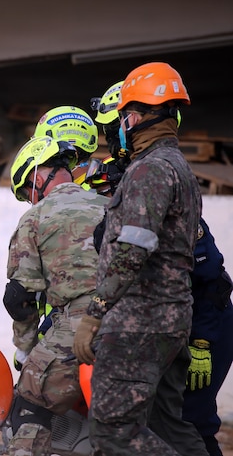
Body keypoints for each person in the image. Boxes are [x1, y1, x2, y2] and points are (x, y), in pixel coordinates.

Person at [88, 82, 233, 456]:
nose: (117, 131)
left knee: (113, 430)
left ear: (133, 118)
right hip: (171, 320)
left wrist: (96, 312)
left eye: (120, 121)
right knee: (172, 427)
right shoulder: (178, 168)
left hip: (142, 322)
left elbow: (136, 249)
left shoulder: (149, 171)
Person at [2, 135, 108, 456]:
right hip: (139, 320)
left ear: (36, 176)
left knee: (30, 406)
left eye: (26, 192)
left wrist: (24, 350)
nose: (28, 200)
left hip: (81, 321)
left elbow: (21, 297)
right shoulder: (111, 204)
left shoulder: (35, 218)